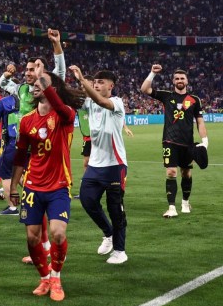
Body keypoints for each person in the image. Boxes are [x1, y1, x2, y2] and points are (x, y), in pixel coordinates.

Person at [9, 63, 84, 302]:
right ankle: (44, 278)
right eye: (35, 83)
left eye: (42, 83)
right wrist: (13, 185)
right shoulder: (27, 120)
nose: (35, 85)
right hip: (32, 185)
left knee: (58, 234)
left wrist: (44, 78)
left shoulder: (66, 115)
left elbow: (61, 106)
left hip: (59, 185)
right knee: (32, 238)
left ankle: (56, 277)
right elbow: (21, 156)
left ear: (53, 88)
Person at [0, 30, 65, 263]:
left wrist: (56, 47)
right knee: (32, 196)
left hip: (43, 146)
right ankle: (43, 244)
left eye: (32, 69)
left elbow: (61, 72)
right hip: (23, 144)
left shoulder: (48, 87)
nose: (28, 74)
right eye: (25, 70)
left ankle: (48, 248)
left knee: (40, 194)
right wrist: (7, 74)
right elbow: (3, 83)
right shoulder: (22, 90)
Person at [72, 66, 130, 264]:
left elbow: (99, 100)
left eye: (101, 82)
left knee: (116, 208)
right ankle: (108, 234)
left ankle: (120, 251)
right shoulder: (89, 102)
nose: (97, 85)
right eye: (95, 82)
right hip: (96, 165)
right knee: (88, 200)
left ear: (111, 86)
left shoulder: (116, 102)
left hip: (115, 164)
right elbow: (77, 99)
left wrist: (82, 79)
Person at [140, 65, 208, 217]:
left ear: (187, 81)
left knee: (186, 173)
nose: (179, 80)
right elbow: (144, 89)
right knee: (171, 172)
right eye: (177, 78)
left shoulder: (194, 100)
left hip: (188, 143)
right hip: (169, 141)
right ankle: (171, 207)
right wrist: (152, 73)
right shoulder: (166, 96)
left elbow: (200, 122)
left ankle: (185, 202)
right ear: (173, 81)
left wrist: (205, 142)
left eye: (182, 78)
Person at [0, 91, 20, 216]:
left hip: (11, 142)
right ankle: (36, 198)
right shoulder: (27, 100)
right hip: (26, 143)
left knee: (5, 175)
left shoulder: (4, 101)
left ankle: (12, 207)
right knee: (20, 173)